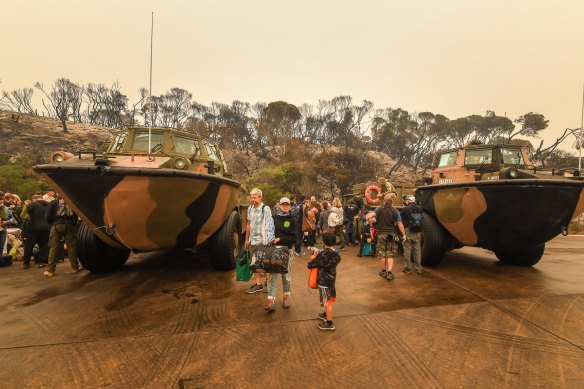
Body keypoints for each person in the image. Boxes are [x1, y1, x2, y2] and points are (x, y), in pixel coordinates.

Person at [266, 197, 297, 310]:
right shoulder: (273, 218)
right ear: (279, 205)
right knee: (272, 277)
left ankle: (285, 298)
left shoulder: (293, 219)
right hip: (274, 250)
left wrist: (280, 239)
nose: (285, 206)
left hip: (287, 250)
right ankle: (270, 300)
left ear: (290, 206)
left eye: (287, 204)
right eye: (283, 204)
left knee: (286, 277)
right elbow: (269, 232)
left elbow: (294, 238)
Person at [308, 232, 341, 331]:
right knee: (329, 298)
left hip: (323, 282)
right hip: (331, 280)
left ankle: (329, 323)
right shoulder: (335, 254)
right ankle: (326, 314)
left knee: (327, 302)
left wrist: (313, 257)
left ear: (323, 242)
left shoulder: (322, 255)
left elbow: (311, 265)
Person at [245, 188, 275, 294]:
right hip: (252, 240)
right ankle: (258, 284)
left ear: (260, 197)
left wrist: (268, 240)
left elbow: (270, 225)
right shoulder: (249, 209)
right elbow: (248, 224)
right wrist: (246, 239)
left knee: (264, 262)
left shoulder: (265, 208)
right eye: (251, 197)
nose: (252, 199)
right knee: (254, 263)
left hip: (263, 241)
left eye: (255, 197)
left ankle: (268, 282)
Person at [44, 198, 81, 277]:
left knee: (53, 247)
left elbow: (47, 216)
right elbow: (75, 216)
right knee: (71, 246)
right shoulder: (70, 201)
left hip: (57, 225)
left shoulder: (53, 202)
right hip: (69, 225)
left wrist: (52, 224)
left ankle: (50, 271)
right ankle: (75, 268)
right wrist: (73, 223)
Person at [374, 193, 406, 280]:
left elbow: (371, 216)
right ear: (393, 200)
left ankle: (383, 271)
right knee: (390, 254)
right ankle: (390, 273)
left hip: (381, 234)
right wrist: (404, 235)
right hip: (391, 235)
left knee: (382, 254)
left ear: (384, 200)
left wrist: (370, 225)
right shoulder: (395, 211)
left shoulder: (379, 209)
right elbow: (400, 223)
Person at [22, 195, 50, 269]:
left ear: (34, 199)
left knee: (29, 245)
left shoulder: (33, 204)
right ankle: (42, 262)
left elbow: (26, 214)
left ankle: (26, 263)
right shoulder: (49, 204)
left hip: (33, 228)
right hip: (46, 228)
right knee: (44, 245)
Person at [401, 195, 423, 274]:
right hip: (417, 230)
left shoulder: (406, 208)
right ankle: (418, 268)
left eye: (406, 200)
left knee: (407, 250)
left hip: (408, 230)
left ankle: (408, 268)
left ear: (408, 201)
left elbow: (401, 218)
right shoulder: (420, 208)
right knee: (417, 250)